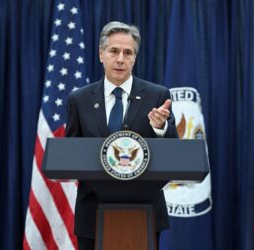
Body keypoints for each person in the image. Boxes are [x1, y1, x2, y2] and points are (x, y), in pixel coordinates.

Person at [65, 21, 178, 250]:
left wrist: (160, 128)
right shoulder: (79, 99)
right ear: (101, 54)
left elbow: (174, 153)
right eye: (114, 51)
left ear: (135, 58)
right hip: (92, 213)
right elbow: (70, 152)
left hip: (144, 210)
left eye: (128, 53)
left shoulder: (157, 96)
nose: (120, 59)